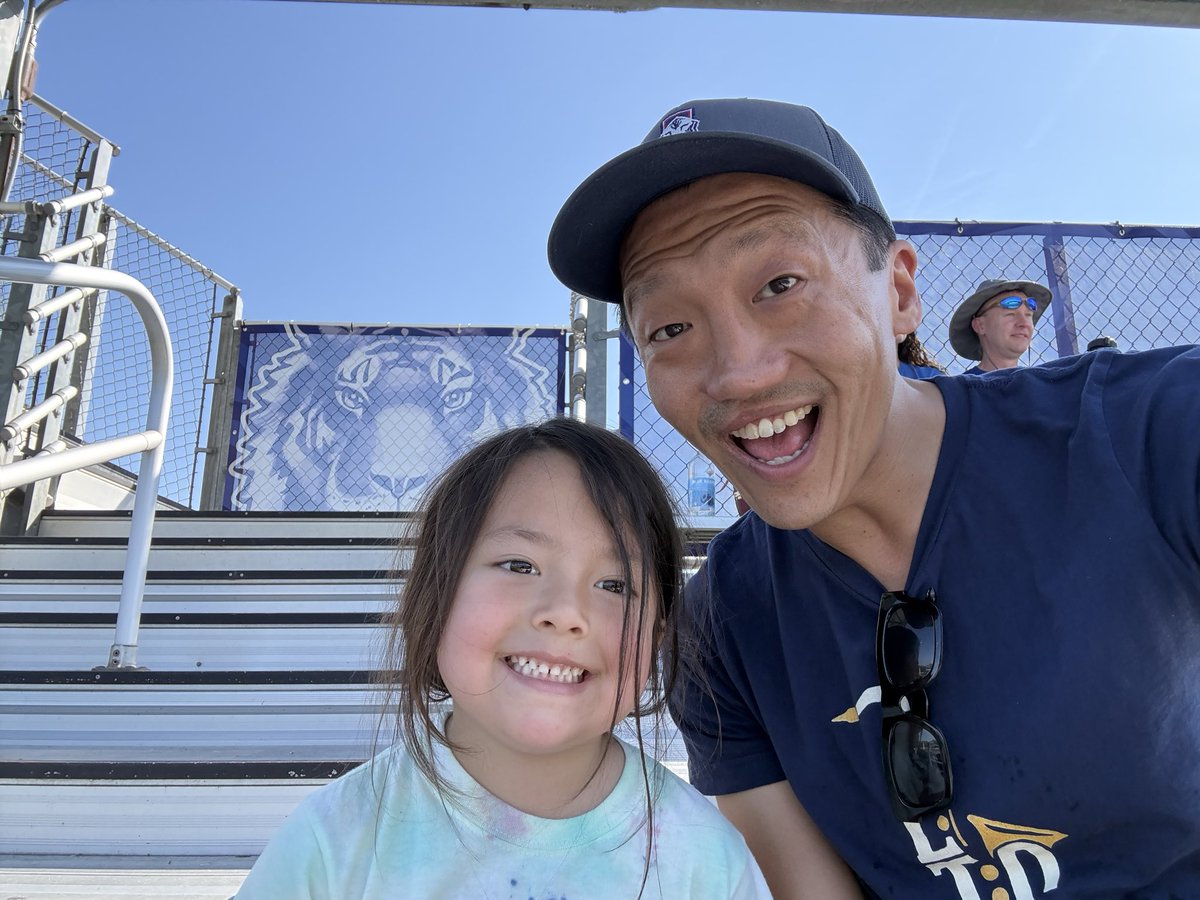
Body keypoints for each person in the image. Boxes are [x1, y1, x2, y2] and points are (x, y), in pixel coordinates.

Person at [548, 98, 1200, 897]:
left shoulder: (1154, 430)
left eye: (779, 283)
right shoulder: (722, 626)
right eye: (669, 330)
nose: (737, 374)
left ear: (898, 292)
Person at [236, 418, 770, 899]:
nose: (565, 613)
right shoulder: (333, 842)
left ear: (655, 637)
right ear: (434, 593)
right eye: (519, 565)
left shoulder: (705, 861)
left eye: (615, 583)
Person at [947, 277, 1053, 372]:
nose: (1024, 323)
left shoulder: (1043, 387)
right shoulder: (960, 390)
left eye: (1028, 315)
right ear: (979, 326)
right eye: (1011, 314)